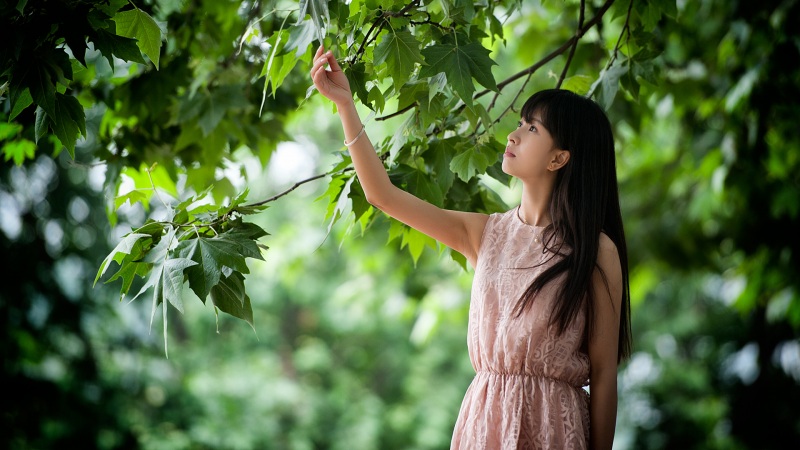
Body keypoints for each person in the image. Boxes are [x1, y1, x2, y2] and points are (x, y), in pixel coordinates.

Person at [310, 46, 631, 450]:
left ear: (559, 158)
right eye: (520, 123)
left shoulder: (595, 251)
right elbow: (382, 195)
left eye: (532, 129)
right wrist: (345, 104)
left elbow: (603, 376)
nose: (513, 134)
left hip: (555, 430)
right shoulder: (485, 233)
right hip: (484, 425)